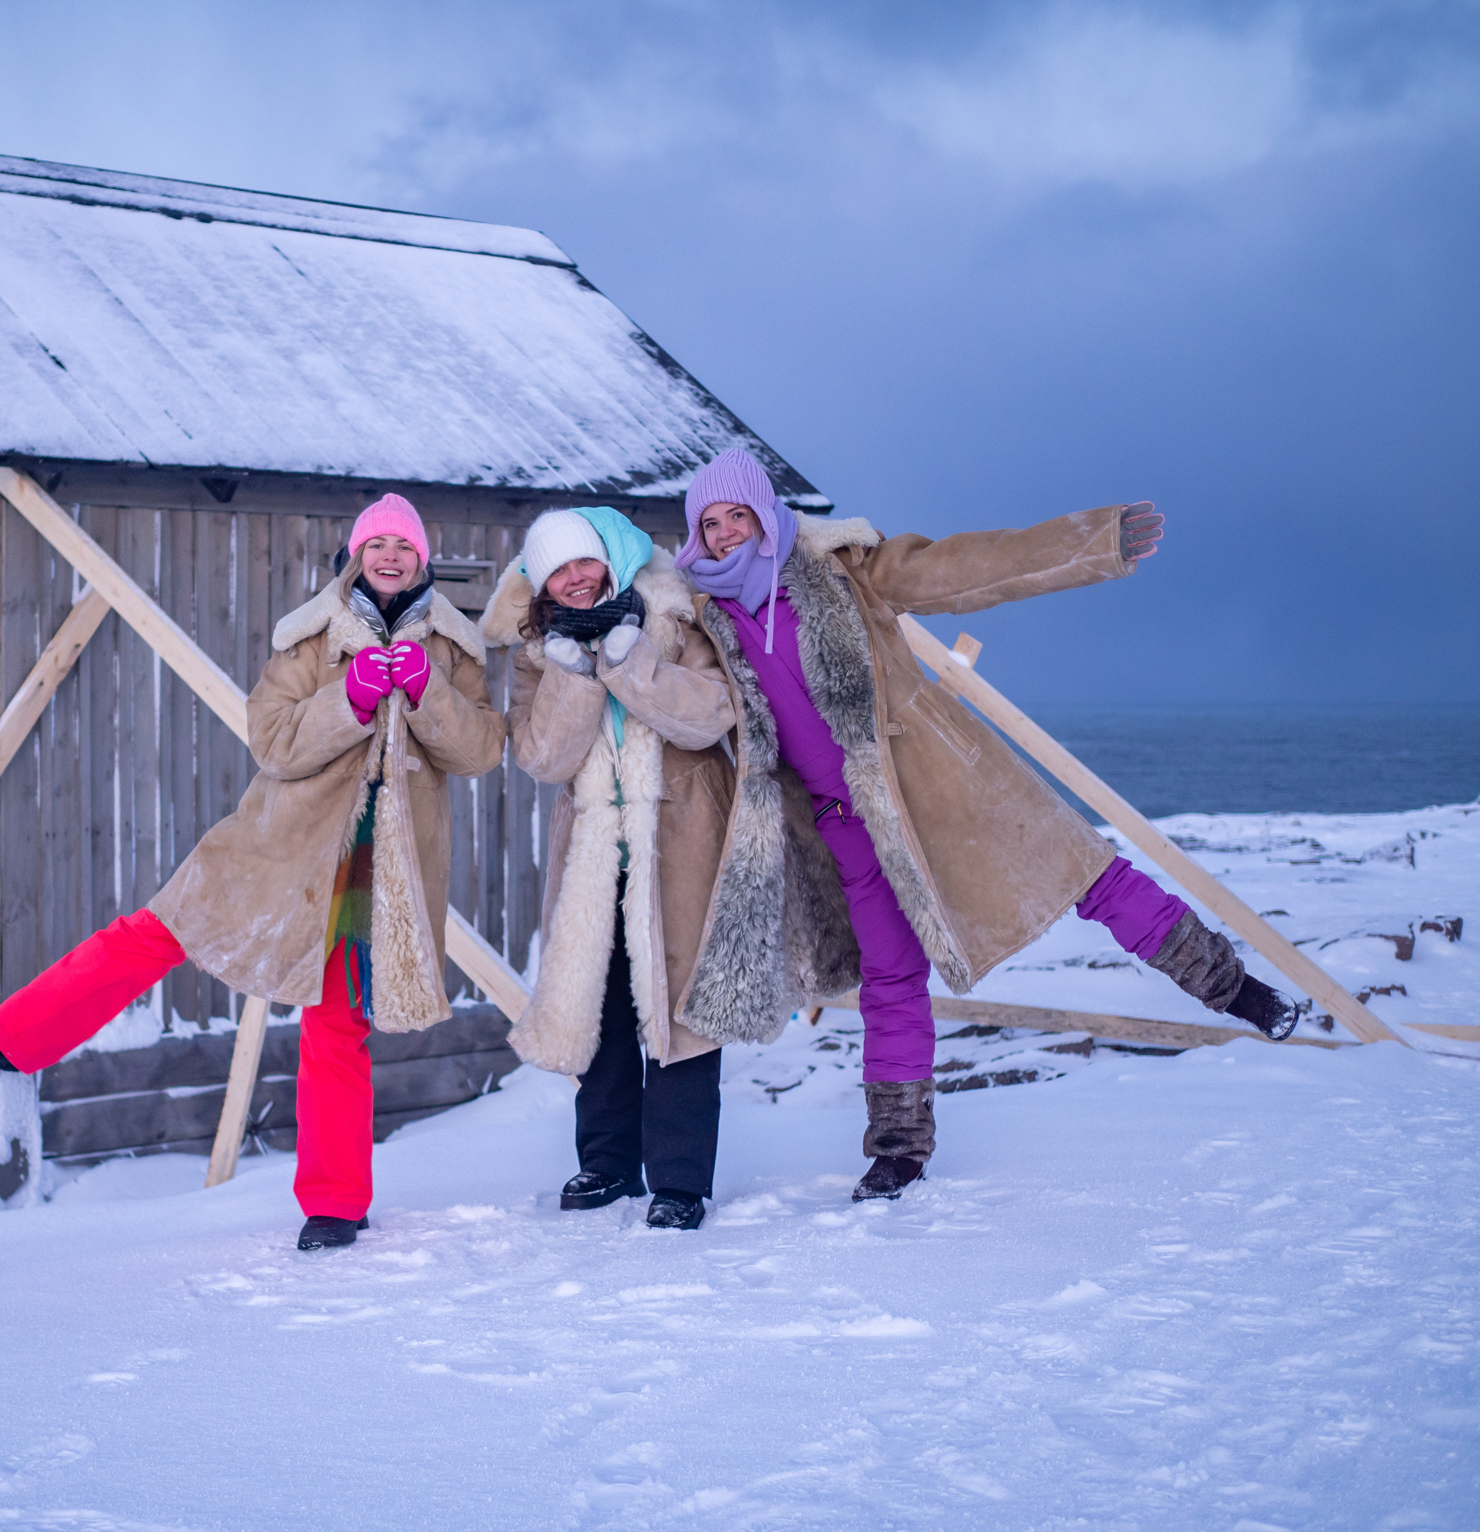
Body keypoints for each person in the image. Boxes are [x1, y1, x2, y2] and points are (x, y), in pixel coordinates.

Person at [674, 447, 1306, 1202]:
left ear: (764, 514)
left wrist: (1092, 541)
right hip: (842, 822)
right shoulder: (706, 615)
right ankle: (898, 1150)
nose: (722, 536)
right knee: (890, 976)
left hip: (939, 784)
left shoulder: (845, 572)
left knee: (1090, 875)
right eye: (707, 524)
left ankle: (1233, 988)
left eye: (734, 516)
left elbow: (963, 569)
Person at [0, 495, 506, 1249]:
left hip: (376, 869)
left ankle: (335, 1206)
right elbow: (272, 741)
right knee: (150, 935)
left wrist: (426, 692)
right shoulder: (307, 641)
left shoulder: (456, 652)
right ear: (356, 557)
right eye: (377, 545)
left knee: (337, 1029)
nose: (390, 556)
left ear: (422, 560)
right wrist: (352, 697)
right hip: (271, 847)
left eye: (404, 545)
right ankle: (4, 1037)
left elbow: (482, 750)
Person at [482, 507, 742, 1231]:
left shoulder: (674, 617)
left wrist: (630, 662)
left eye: (582, 562)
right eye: (556, 570)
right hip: (597, 854)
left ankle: (681, 1180)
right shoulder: (540, 651)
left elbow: (712, 715)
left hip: (680, 843)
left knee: (680, 1009)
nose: (573, 578)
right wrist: (575, 676)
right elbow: (542, 757)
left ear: (607, 559)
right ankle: (606, 1163)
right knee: (602, 1006)